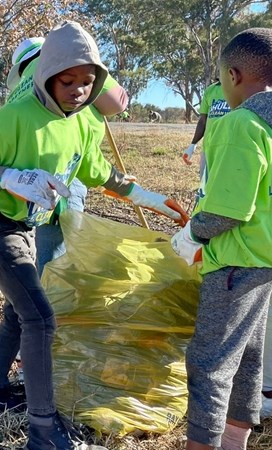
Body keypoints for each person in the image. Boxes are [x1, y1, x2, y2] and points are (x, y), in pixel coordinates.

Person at [0, 22, 185, 448]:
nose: (78, 90)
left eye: (87, 82)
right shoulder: (16, 117)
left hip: (26, 226)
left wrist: (154, 199)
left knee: (19, 309)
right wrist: (9, 177)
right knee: (40, 319)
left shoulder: (82, 124)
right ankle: (43, 430)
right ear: (46, 76)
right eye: (68, 80)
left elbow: (103, 176)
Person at [171, 28, 272, 450]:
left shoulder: (242, 123)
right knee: (248, 358)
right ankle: (234, 441)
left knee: (210, 363)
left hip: (234, 262)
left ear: (232, 75)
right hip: (264, 262)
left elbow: (228, 211)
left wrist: (189, 234)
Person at [6, 34, 129, 276]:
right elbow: (117, 104)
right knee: (62, 251)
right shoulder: (71, 63)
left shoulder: (18, 92)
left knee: (46, 246)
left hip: (30, 179)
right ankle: (56, 306)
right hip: (67, 171)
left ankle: (45, 298)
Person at [183, 81, 231, 171]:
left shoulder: (241, 89)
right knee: (205, 183)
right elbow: (202, 121)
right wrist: (193, 145)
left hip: (231, 149)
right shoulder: (210, 90)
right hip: (209, 149)